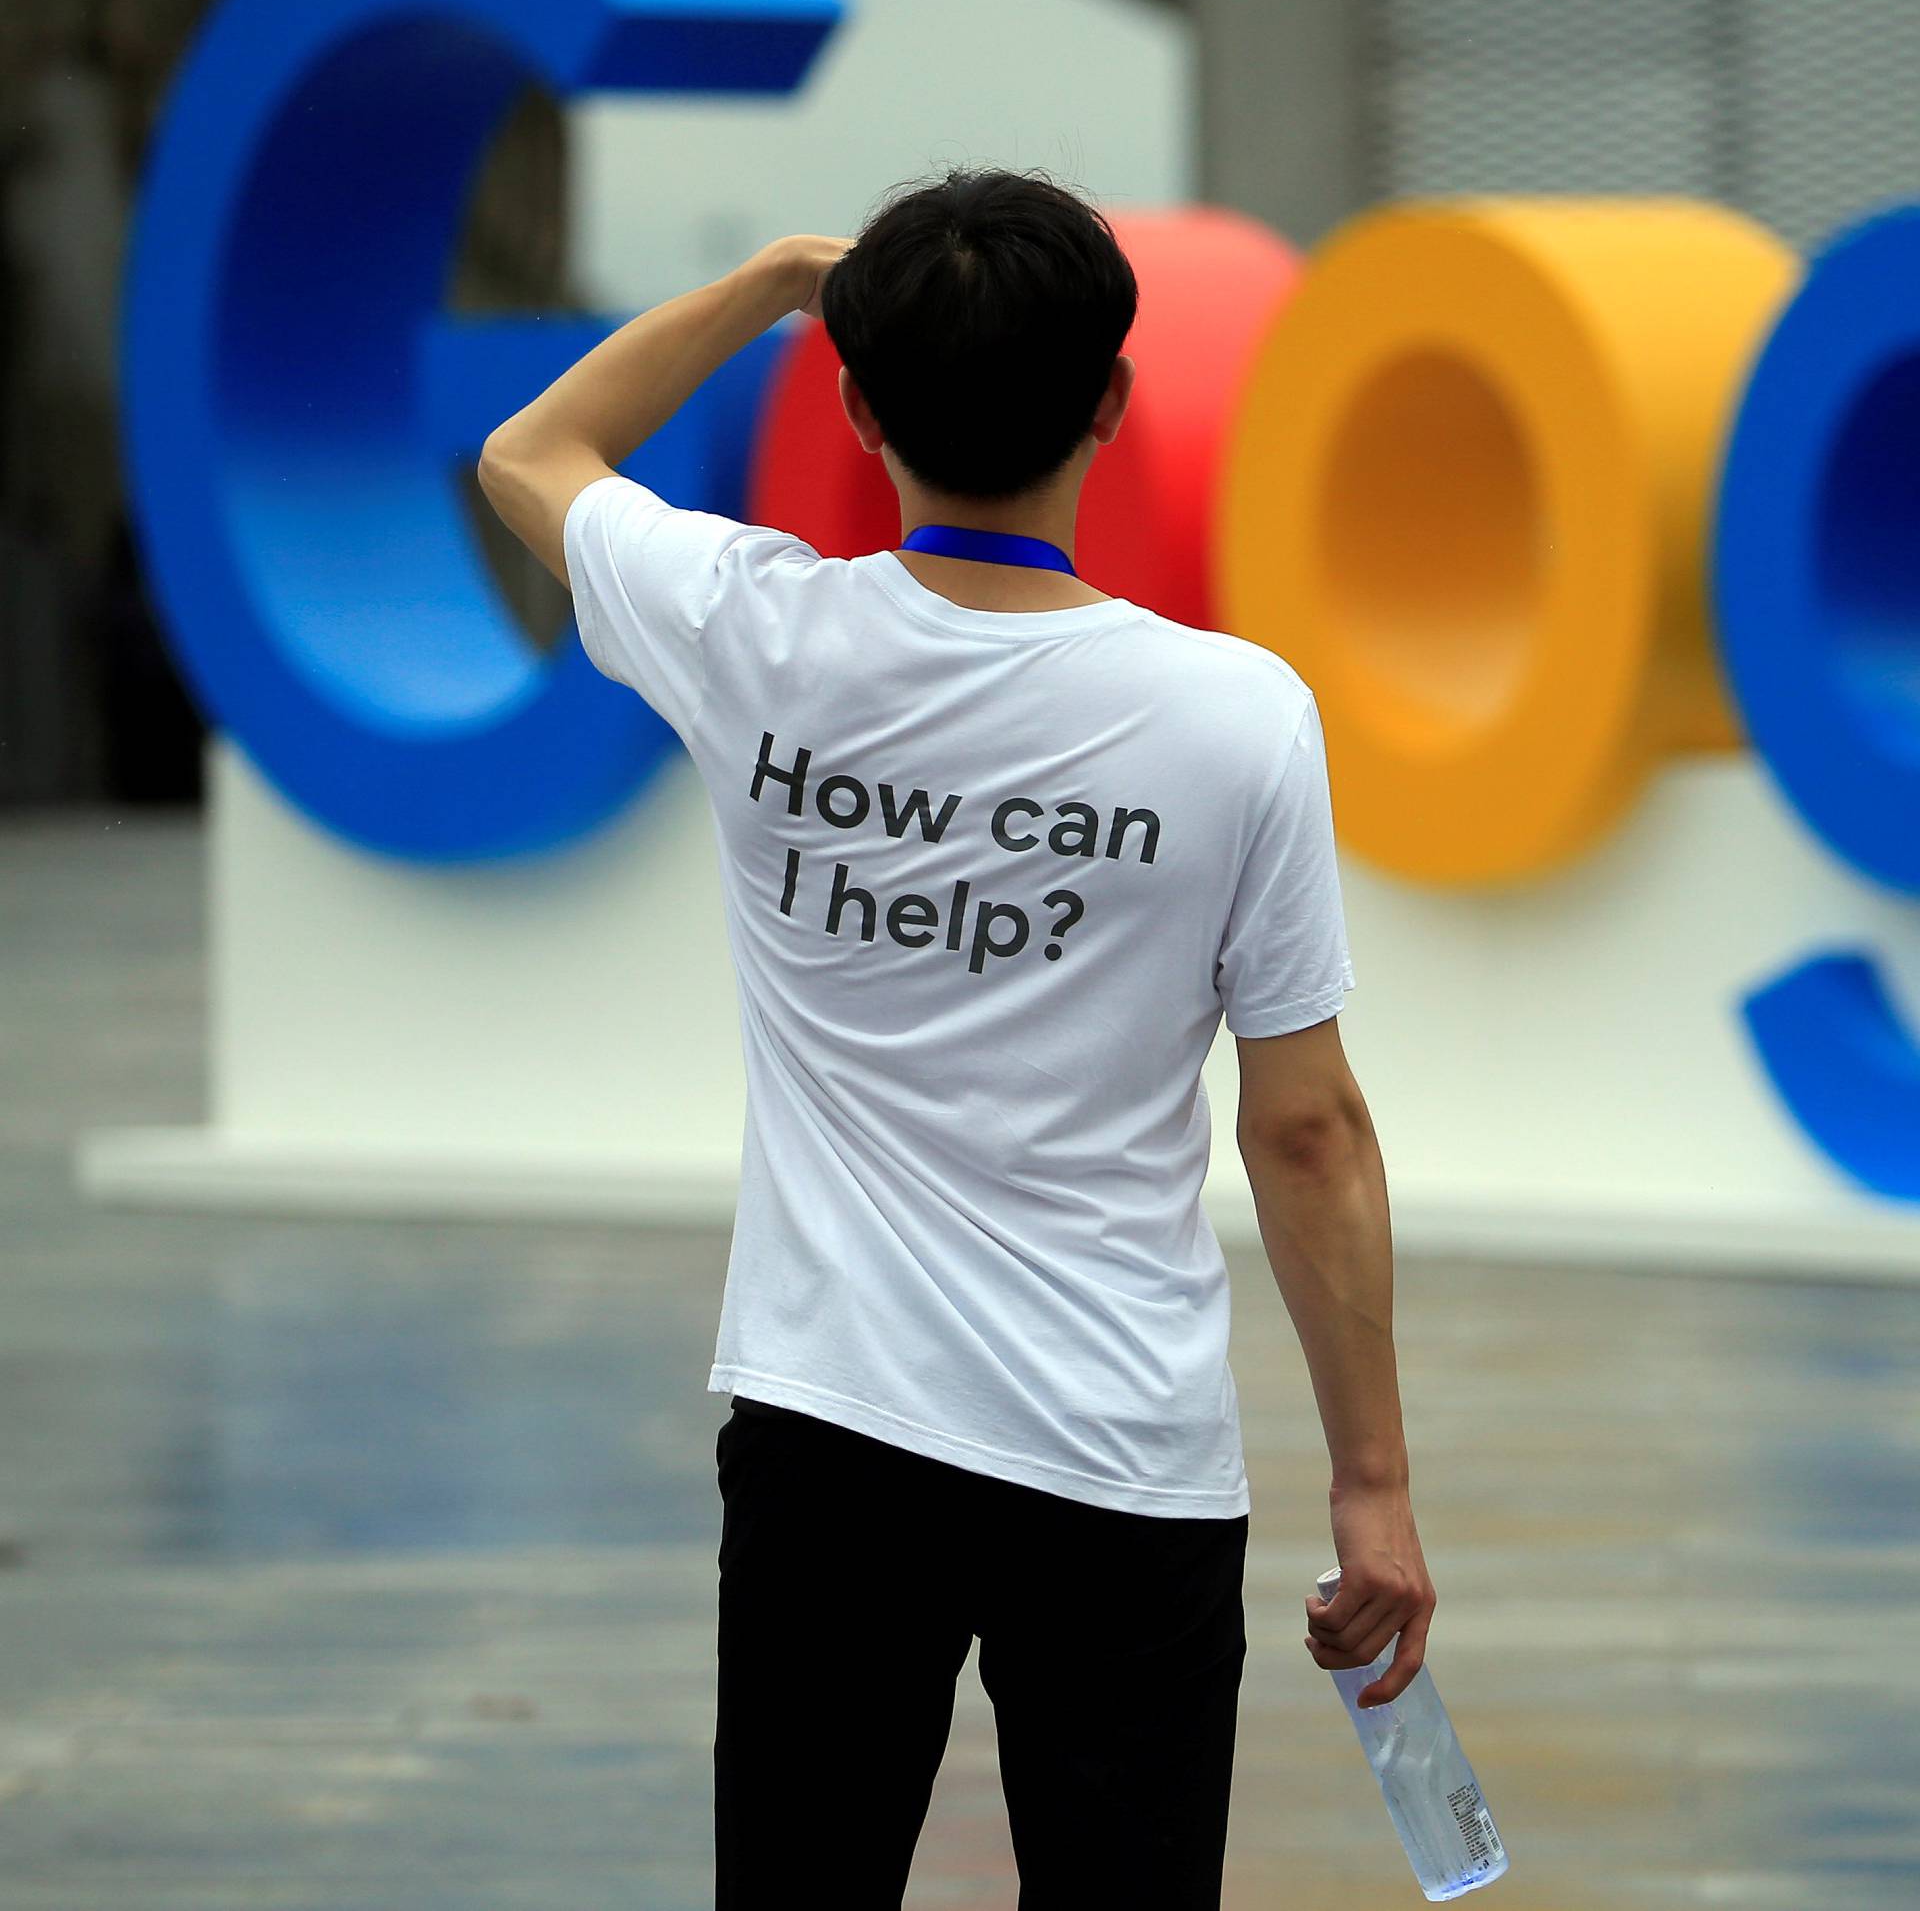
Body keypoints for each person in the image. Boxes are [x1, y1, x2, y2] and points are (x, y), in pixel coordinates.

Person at [478, 165, 1436, 1911]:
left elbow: (531, 455)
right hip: (1119, 1448)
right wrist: (1370, 1479)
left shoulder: (755, 631)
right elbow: (1308, 1134)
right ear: (1113, 404)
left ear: (852, 407)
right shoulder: (1237, 718)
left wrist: (778, 271)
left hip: (829, 1428)